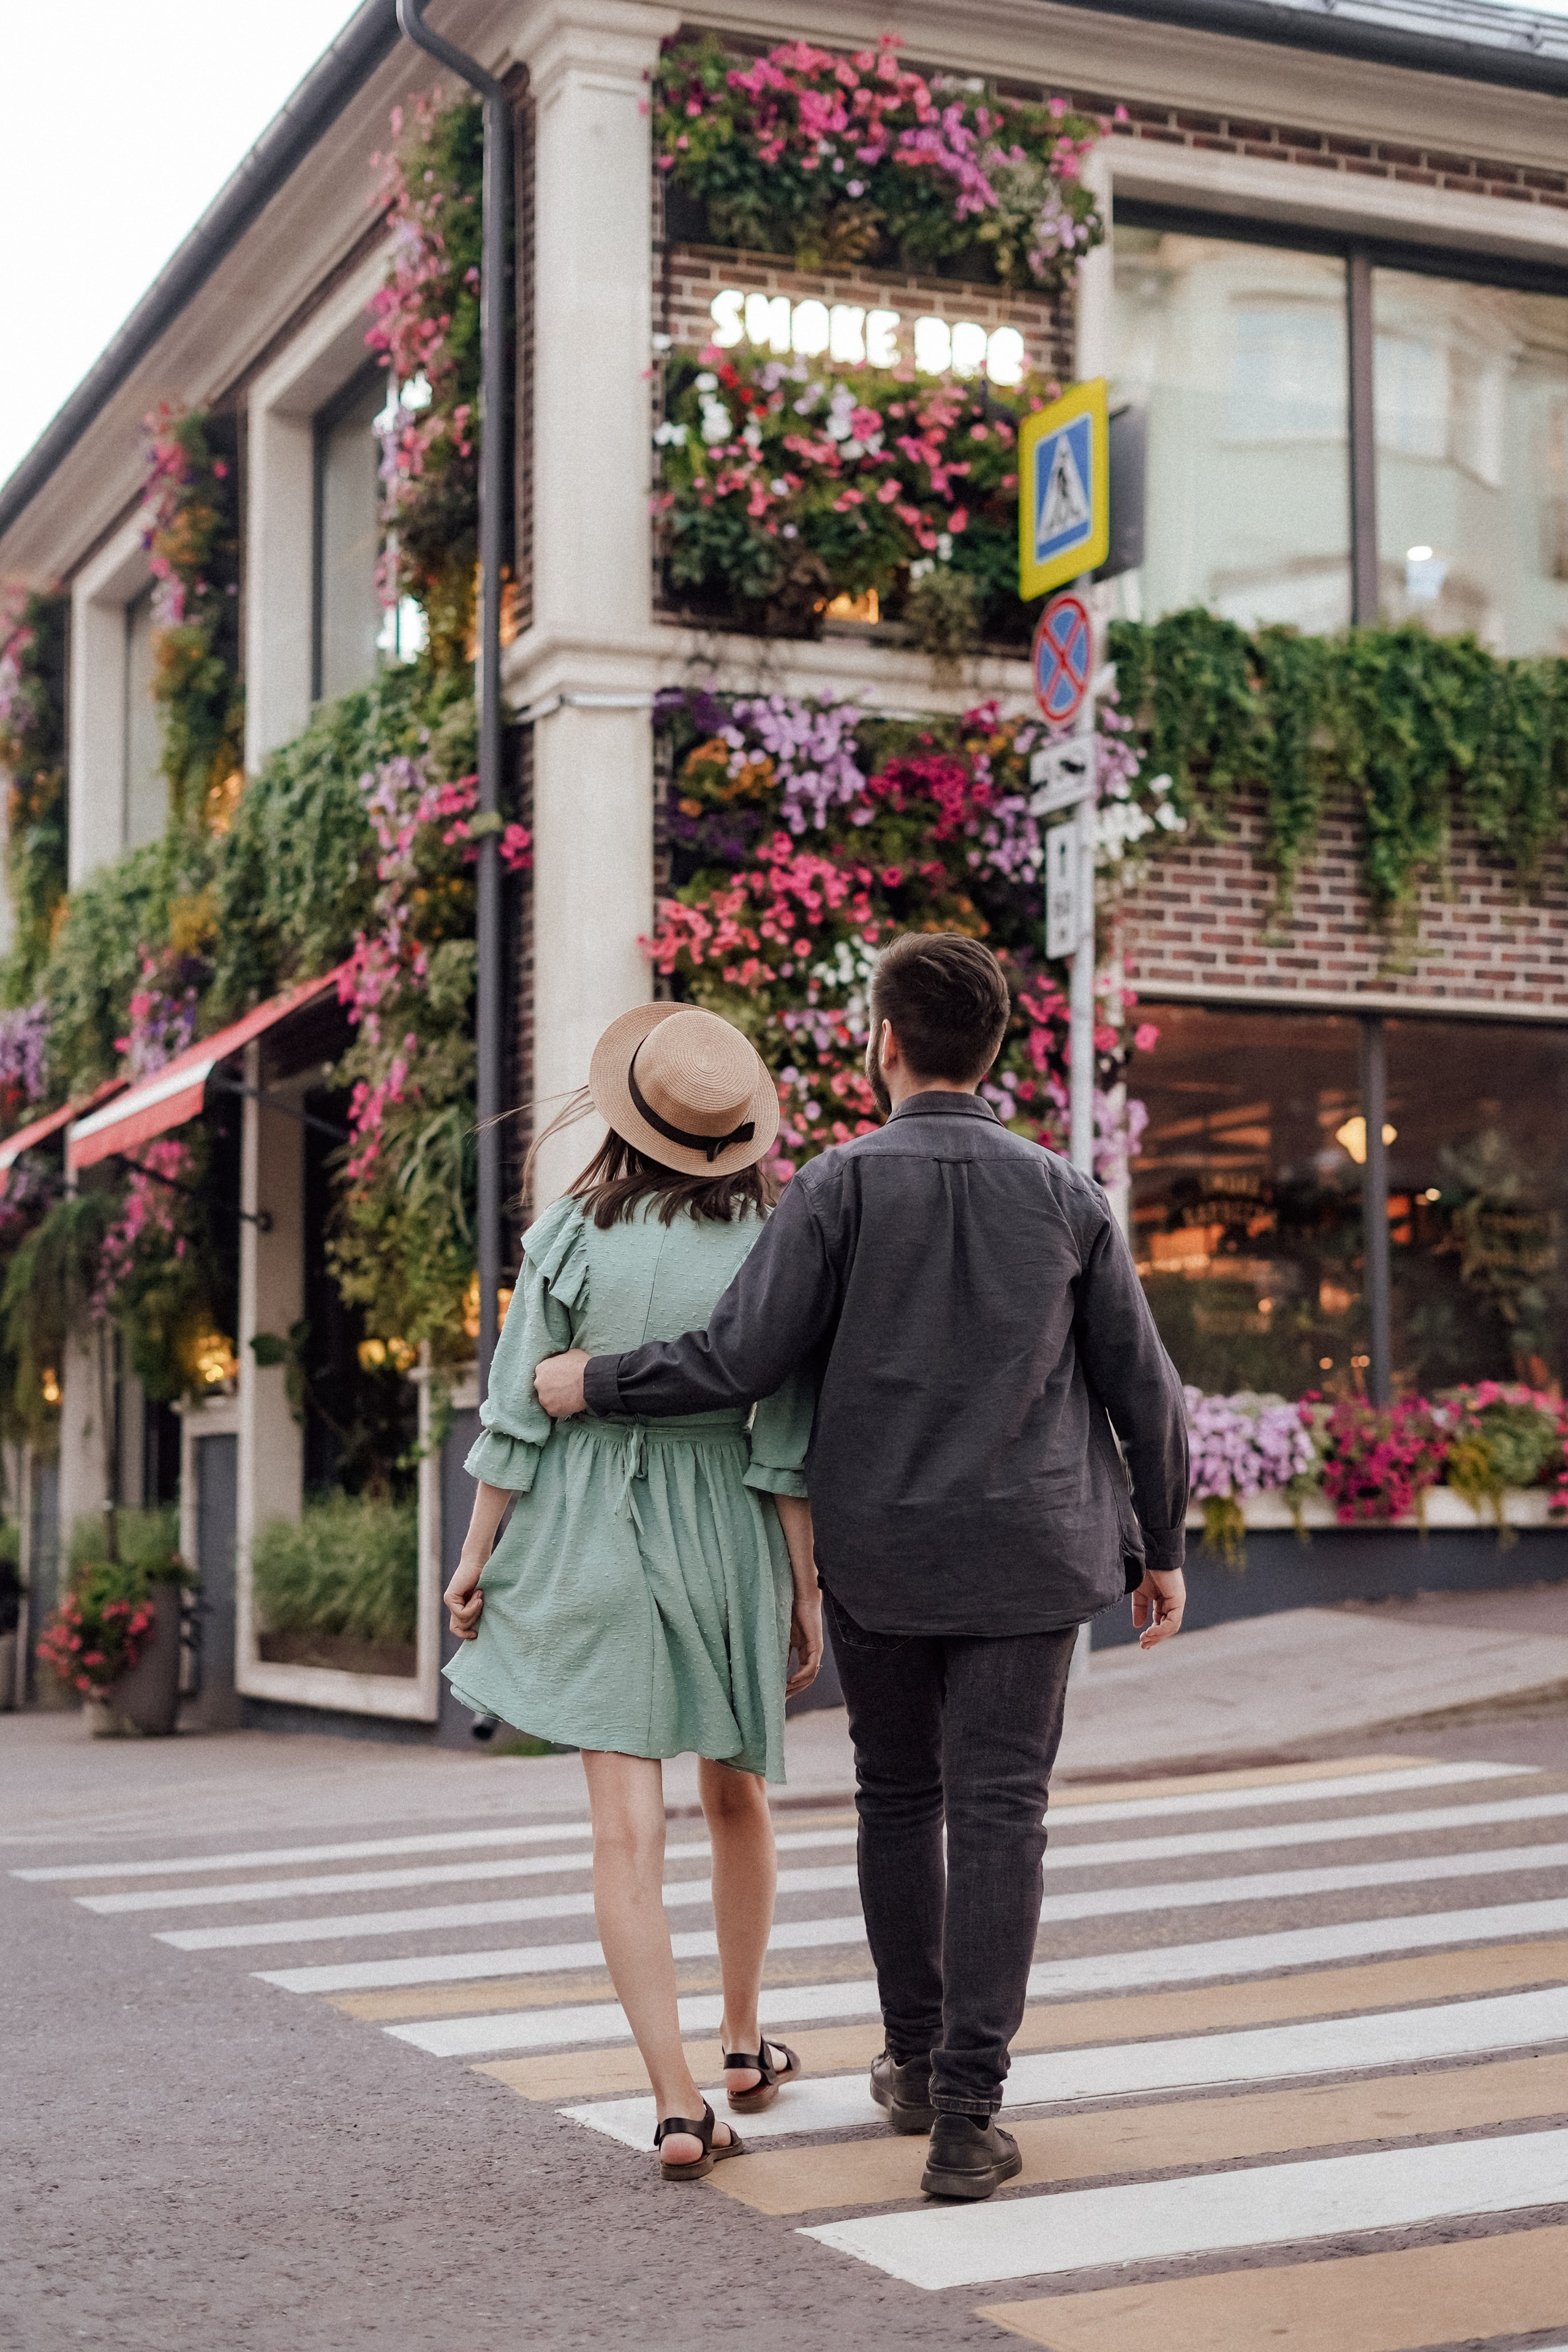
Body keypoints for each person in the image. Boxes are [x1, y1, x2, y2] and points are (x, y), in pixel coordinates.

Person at [535, 932, 1190, 2202]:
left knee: (898, 1799)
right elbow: (1145, 1392)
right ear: (991, 1051)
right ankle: (966, 2113)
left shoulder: (834, 1189)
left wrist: (592, 1381)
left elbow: (734, 1360)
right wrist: (1157, 1545)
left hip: (882, 1552)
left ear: (882, 1042)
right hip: (1031, 1555)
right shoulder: (1064, 1195)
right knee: (1004, 1811)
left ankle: (907, 2060)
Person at [442, 1001, 824, 2184]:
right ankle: (745, 2042)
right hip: (728, 1528)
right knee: (738, 1801)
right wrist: (805, 1586)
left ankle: (676, 2105)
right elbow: (788, 1434)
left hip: (591, 1533)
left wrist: (474, 1557)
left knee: (624, 1837)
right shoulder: (777, 1238)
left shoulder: (568, 1235)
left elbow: (514, 1415)